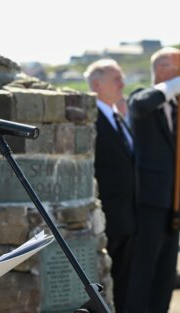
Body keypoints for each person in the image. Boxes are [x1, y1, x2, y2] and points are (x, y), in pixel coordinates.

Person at [125, 47, 180, 313]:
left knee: (166, 277)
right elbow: (138, 107)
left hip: (175, 205)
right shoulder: (141, 97)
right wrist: (173, 85)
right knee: (143, 274)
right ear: (162, 70)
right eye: (177, 69)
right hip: (149, 203)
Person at [84, 59, 135, 313]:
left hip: (128, 217)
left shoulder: (118, 116)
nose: (122, 83)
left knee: (125, 282)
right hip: (107, 218)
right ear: (96, 84)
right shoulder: (90, 120)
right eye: (116, 78)